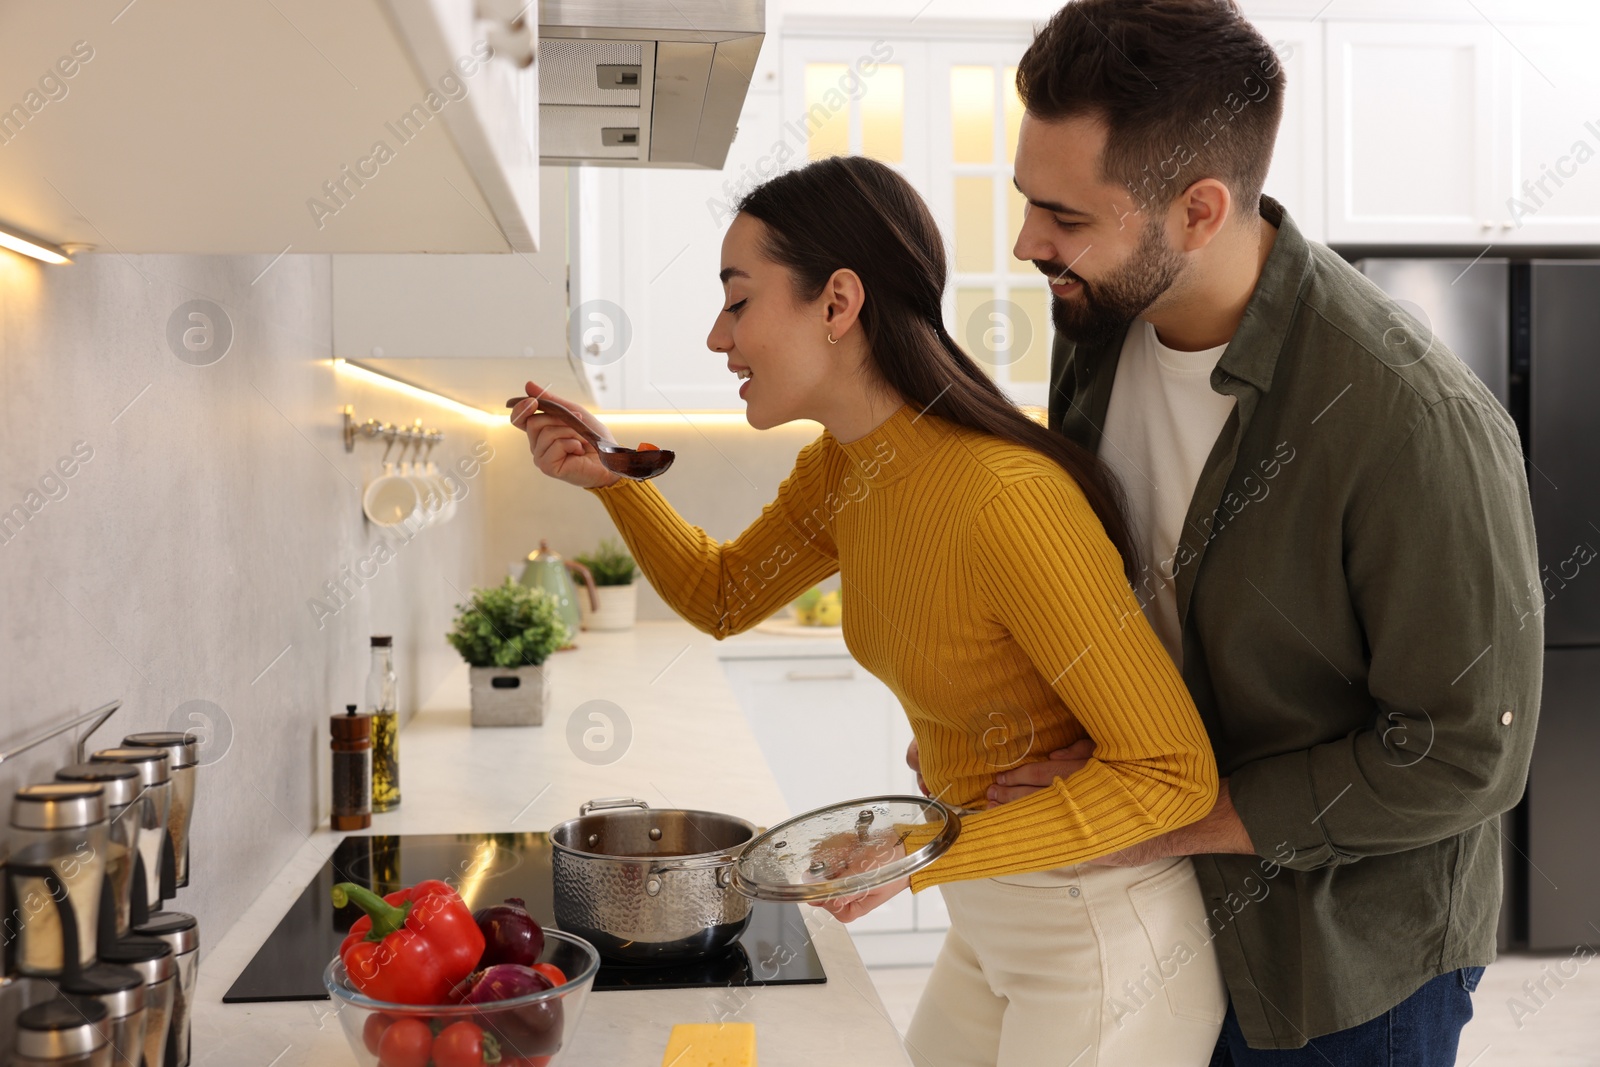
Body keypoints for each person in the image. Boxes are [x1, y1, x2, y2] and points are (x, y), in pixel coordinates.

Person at [916, 1, 1543, 1064]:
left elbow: (1466, 752)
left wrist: (1178, 813)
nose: (1027, 244)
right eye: (1028, 203)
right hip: (1159, 907)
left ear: (1199, 211)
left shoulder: (1404, 417)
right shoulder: (1100, 328)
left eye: (1064, 217)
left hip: (1341, 962)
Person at [511, 154, 1229, 1066]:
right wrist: (610, 481)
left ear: (838, 303)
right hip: (995, 912)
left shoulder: (1003, 498)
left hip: (1101, 937)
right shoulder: (848, 467)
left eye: (738, 302)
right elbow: (724, 596)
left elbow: (1171, 771)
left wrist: (914, 849)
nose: (716, 338)